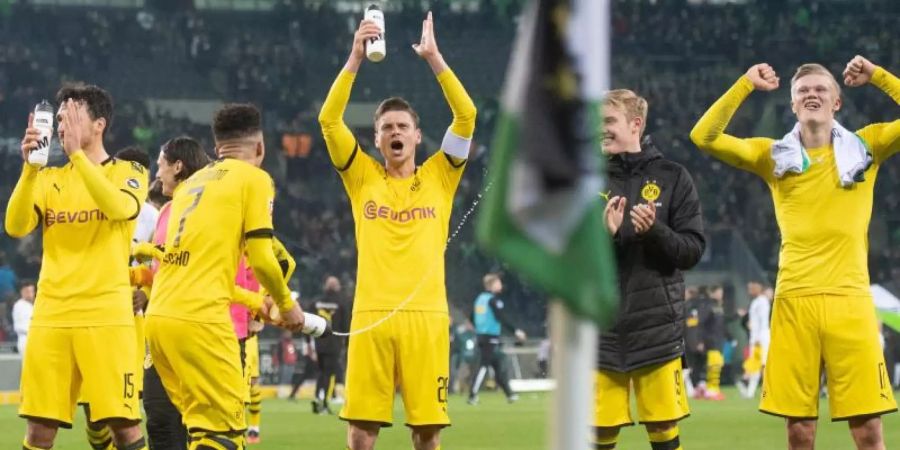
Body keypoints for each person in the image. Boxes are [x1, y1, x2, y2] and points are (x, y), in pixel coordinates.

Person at [690, 55, 898, 450]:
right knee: (799, 432)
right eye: (803, 91)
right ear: (792, 105)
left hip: (850, 301)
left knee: (868, 431)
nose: (812, 95)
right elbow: (705, 137)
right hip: (794, 302)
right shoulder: (774, 157)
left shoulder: (866, 147)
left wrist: (877, 77)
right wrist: (745, 84)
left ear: (837, 103)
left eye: (821, 89)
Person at [318, 11, 476, 450]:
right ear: (376, 139)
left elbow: (466, 116)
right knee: (361, 435)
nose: (395, 131)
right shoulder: (362, 176)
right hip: (370, 316)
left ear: (418, 136)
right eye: (386, 127)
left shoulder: (441, 175)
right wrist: (354, 58)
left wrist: (434, 59)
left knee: (426, 434)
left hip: (427, 318)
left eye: (402, 126)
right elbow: (330, 122)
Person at [145, 104, 308, 450]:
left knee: (198, 431)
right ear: (260, 148)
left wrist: (256, 301)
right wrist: (284, 304)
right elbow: (263, 259)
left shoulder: (188, 186)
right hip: (201, 320)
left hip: (160, 319)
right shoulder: (255, 179)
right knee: (225, 436)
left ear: (217, 148)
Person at [6, 86, 149, 450]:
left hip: (106, 316)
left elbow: (120, 208)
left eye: (72, 116)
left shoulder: (129, 170)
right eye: (59, 118)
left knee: (124, 427)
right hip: (51, 315)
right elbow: (15, 225)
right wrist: (28, 169)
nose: (62, 124)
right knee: (38, 431)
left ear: (99, 124)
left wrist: (78, 159)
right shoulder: (49, 178)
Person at [594, 89, 705, 450]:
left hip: (656, 332)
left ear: (635, 124)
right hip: (599, 333)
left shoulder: (673, 177)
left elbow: (691, 251)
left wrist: (654, 231)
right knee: (599, 434)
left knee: (663, 433)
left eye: (609, 121)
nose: (601, 129)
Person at [140, 136, 210, 450]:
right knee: (158, 419)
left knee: (203, 427)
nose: (157, 174)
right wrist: (143, 286)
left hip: (197, 329)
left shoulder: (211, 206)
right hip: (160, 331)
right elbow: (164, 266)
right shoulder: (167, 209)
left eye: (160, 165)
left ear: (178, 166)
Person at [467, 273, 526, 405]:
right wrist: (516, 331)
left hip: (482, 336)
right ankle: (472, 395)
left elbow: (472, 318)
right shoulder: (493, 300)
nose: (500, 285)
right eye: (498, 283)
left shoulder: (479, 299)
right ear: (492, 285)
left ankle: (510, 394)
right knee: (483, 365)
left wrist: (480, 328)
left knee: (497, 364)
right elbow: (501, 317)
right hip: (490, 336)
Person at [309, 275, 351, 415]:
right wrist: (347, 343)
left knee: (321, 372)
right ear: (337, 287)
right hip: (334, 343)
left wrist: (308, 343)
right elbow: (346, 325)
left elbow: (307, 321)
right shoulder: (341, 302)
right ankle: (325, 403)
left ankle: (317, 397)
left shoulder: (317, 301)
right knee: (330, 373)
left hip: (318, 342)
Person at [739, 281, 771, 399]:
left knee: (763, 364)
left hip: (761, 337)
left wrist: (758, 338)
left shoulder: (762, 301)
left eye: (751, 288)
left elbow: (763, 321)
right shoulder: (755, 302)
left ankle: (765, 393)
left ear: (758, 288)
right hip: (755, 337)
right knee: (756, 365)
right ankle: (750, 392)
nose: (749, 290)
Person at [700, 285, 726, 401]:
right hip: (711, 340)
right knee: (714, 365)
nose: (721, 294)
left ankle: (714, 389)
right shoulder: (707, 305)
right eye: (719, 292)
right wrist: (700, 340)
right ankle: (711, 390)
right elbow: (701, 323)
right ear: (713, 293)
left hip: (719, 339)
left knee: (717, 364)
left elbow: (722, 324)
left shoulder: (718, 306)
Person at [12, 279, 36, 355]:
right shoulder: (19, 305)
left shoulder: (33, 305)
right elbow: (19, 326)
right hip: (25, 339)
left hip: (35, 338)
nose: (29, 294)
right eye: (27, 291)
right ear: (22, 292)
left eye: (31, 291)